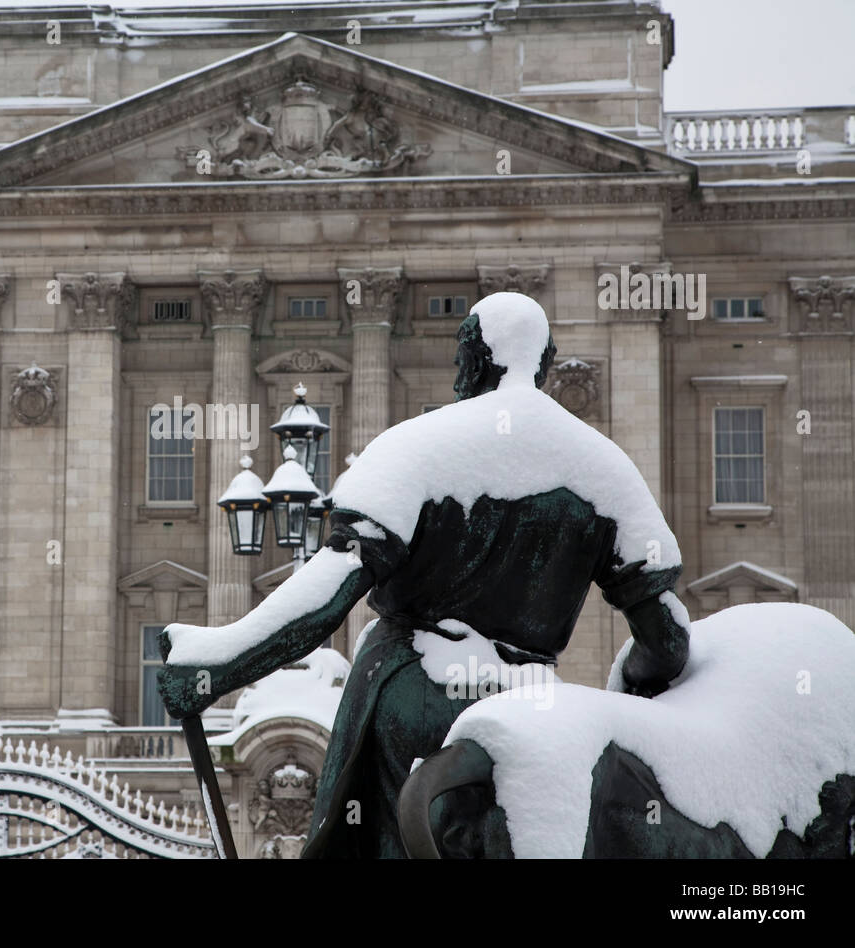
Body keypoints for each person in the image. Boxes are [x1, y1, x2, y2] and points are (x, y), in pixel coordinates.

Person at [157, 291, 691, 858]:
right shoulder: (603, 469)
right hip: (531, 711)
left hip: (414, 699)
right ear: (545, 362)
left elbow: (329, 595)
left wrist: (217, 665)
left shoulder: (419, 447)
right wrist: (627, 685)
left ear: (475, 360)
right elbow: (668, 643)